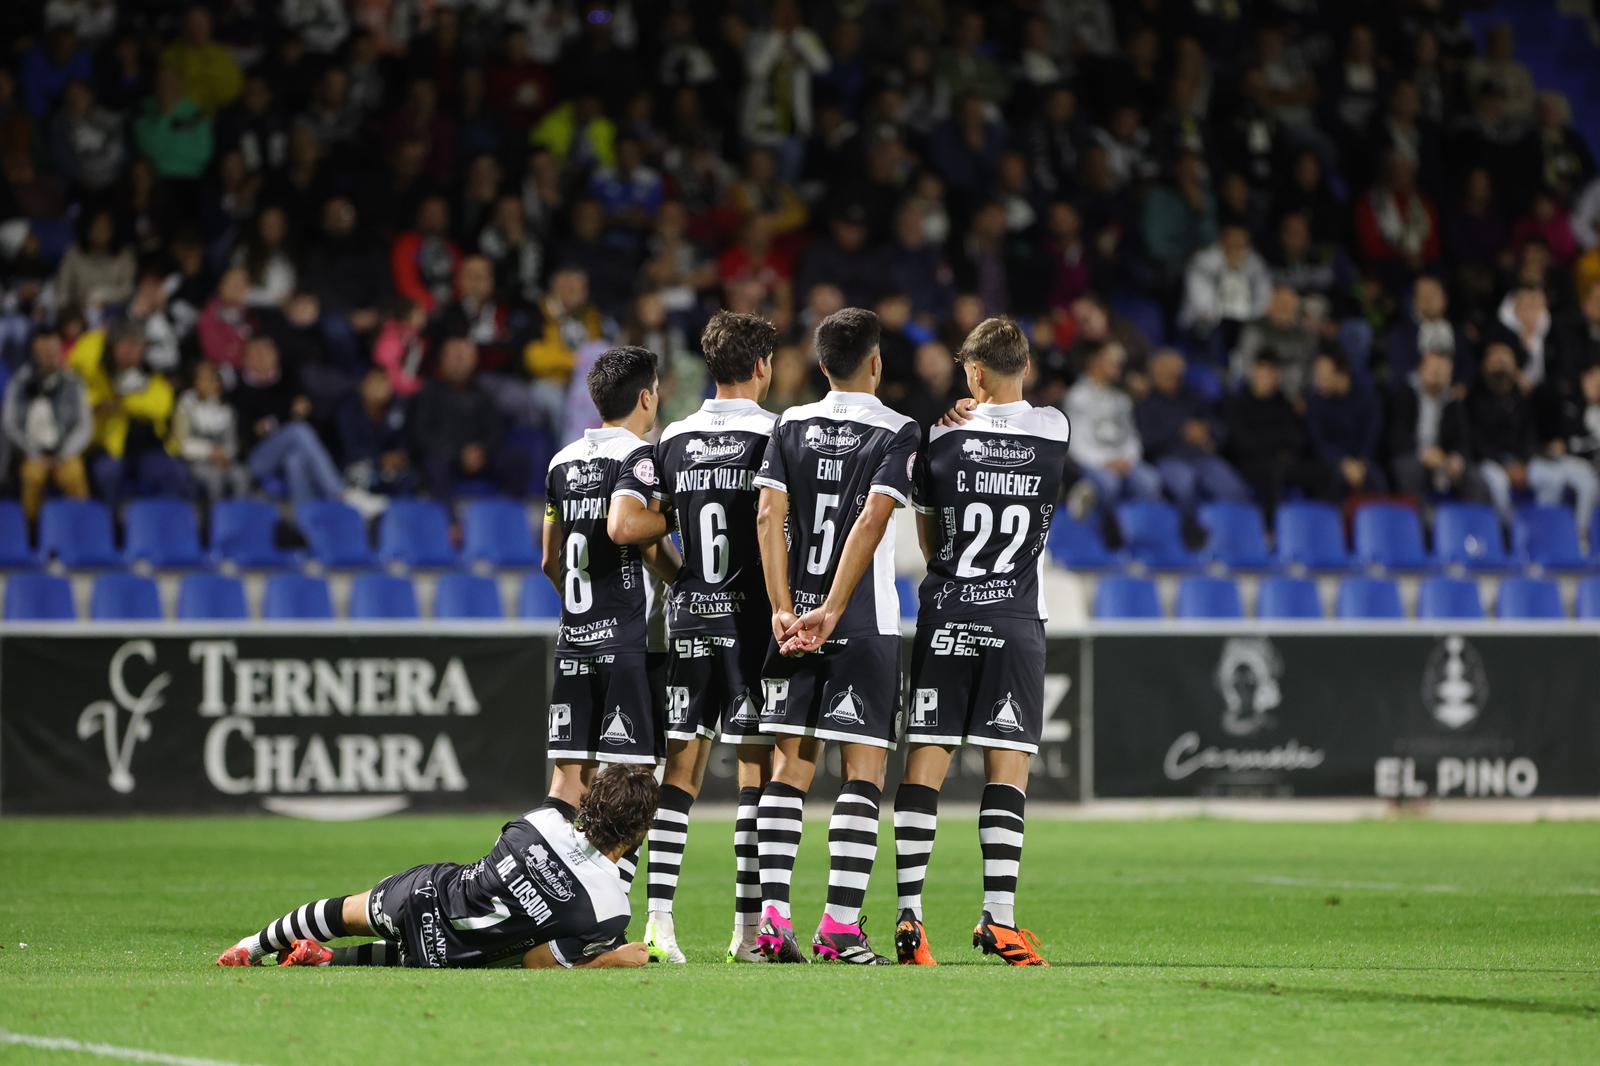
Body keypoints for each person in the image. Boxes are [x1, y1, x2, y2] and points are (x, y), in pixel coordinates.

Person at [891, 317, 1063, 968]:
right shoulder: (1055, 429)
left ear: (976, 373)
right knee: (1009, 762)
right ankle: (999, 920)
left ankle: (910, 917)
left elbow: (932, 538)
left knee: (926, 760)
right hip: (1016, 621)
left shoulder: (940, 439)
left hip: (949, 611)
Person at [751, 307, 918, 965]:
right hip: (861, 619)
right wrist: (833, 608)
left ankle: (771, 924)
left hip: (793, 621)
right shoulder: (898, 431)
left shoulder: (789, 423)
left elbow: (769, 513)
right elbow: (874, 521)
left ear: (822, 365)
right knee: (864, 770)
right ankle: (839, 929)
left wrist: (784, 609)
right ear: (876, 363)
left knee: (789, 767)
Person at [641, 311, 779, 965]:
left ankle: (660, 925)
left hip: (693, 614)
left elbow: (643, 529)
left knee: (681, 771)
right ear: (760, 367)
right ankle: (747, 932)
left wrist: (682, 580)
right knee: (754, 770)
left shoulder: (674, 436)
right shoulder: (776, 435)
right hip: (751, 622)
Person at [216, 765, 657, 970]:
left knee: (345, 913)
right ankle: (329, 960)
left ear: (590, 805)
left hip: (423, 894)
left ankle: (250, 947)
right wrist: (613, 959)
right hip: (456, 954)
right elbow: (539, 963)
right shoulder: (609, 909)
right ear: (638, 834)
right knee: (477, 946)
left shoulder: (540, 823)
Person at [541, 346, 679, 893]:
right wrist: (683, 576)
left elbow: (550, 559)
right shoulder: (641, 457)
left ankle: (544, 893)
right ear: (646, 397)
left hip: (575, 639)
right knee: (634, 782)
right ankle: (608, 905)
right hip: (630, 645)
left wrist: (583, 611)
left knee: (567, 779)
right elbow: (642, 543)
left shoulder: (561, 461)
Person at [231, 335, 384, 516]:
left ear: (275, 355)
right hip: (257, 458)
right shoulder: (239, 389)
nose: (262, 357)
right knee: (298, 431)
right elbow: (247, 432)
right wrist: (282, 418)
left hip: (289, 448)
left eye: (266, 352)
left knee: (295, 459)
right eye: (255, 353)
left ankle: (305, 519)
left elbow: (304, 412)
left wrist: (277, 421)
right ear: (245, 358)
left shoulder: (289, 376)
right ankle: (340, 493)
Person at [1136, 349, 1249, 511]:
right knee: (1185, 484)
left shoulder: (1194, 397)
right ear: (1156, 373)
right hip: (1169, 459)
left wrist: (1207, 431)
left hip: (1202, 456)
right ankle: (1190, 533)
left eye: (1177, 369)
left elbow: (1220, 430)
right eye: (1168, 370)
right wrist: (1180, 431)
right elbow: (1146, 443)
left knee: (1235, 489)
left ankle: (1235, 533)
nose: (1174, 373)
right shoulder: (1146, 405)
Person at [2, 328, 91, 521]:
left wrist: (64, 453)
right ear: (34, 353)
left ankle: (80, 526)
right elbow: (10, 424)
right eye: (44, 353)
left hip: (65, 452)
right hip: (32, 453)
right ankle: (31, 533)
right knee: (33, 477)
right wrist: (34, 452)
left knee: (74, 474)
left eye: (54, 352)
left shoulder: (73, 382)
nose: (50, 357)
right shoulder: (19, 383)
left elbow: (85, 426)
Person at [1064, 341, 1161, 506]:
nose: (1118, 365)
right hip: (1092, 462)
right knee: (1109, 483)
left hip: (1123, 461)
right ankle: (1105, 528)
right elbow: (1076, 443)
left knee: (1150, 480)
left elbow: (1131, 436)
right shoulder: (1077, 396)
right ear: (1095, 361)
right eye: (1112, 361)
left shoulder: (1121, 399)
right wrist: (1104, 462)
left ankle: (1136, 528)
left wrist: (1128, 459)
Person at [1386, 348, 1484, 508]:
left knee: (1475, 477)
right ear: (1421, 369)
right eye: (1433, 369)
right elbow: (1397, 437)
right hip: (1413, 455)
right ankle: (1423, 525)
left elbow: (1463, 439)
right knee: (1411, 469)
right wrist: (1423, 454)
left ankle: (1468, 526)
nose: (1437, 375)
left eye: (1442, 370)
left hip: (1443, 458)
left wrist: (1456, 458)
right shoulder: (1404, 395)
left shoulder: (1454, 402)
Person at [1305, 350, 1386, 496]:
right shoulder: (1315, 400)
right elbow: (1319, 442)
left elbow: (1372, 434)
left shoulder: (1366, 395)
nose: (1318, 381)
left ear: (1341, 373)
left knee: (1376, 480)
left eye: (1323, 375)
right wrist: (1343, 464)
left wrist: (1361, 463)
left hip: (1362, 463)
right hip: (1331, 463)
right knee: (1326, 478)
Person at [171, 359, 249, 500]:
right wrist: (210, 452)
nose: (212, 382)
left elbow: (232, 442)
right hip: (194, 461)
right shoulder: (186, 405)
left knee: (241, 475)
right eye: (205, 378)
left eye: (214, 377)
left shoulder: (226, 408)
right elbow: (181, 442)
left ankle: (239, 518)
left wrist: (225, 455)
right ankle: (216, 519)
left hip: (222, 460)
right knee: (214, 478)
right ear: (195, 383)